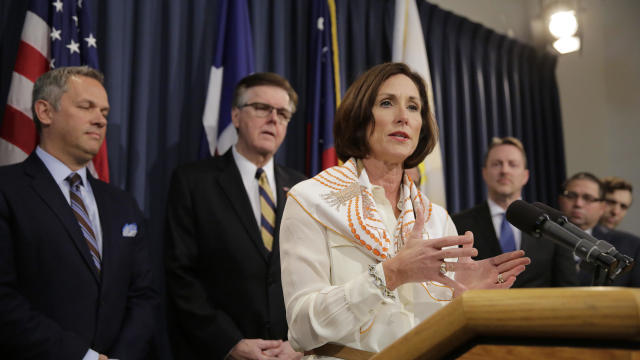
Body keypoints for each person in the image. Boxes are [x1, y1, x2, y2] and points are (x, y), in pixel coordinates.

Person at [279, 63, 530, 357]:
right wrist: (391, 273)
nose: (403, 117)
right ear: (360, 116)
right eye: (387, 103)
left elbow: (442, 331)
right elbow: (301, 328)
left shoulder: (437, 218)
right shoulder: (312, 200)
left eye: (414, 107)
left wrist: (464, 301)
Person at [0, 66, 158, 359]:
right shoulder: (7, 190)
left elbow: (143, 296)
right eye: (87, 107)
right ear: (45, 112)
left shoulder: (122, 203)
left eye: (105, 113)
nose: (100, 120)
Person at [165, 73, 306, 359]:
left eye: (282, 113)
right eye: (262, 108)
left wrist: (301, 343)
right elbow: (181, 275)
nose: (273, 119)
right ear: (236, 115)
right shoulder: (194, 182)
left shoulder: (304, 189)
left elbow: (314, 276)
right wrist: (229, 343)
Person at [452, 137, 577, 287]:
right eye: (497, 164)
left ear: (525, 176)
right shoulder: (458, 223)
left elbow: (567, 287)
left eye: (513, 164)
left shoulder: (552, 225)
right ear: (484, 173)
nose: (504, 170)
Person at [558, 172, 640, 286]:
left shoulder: (631, 245)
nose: (579, 203)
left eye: (623, 206)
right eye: (572, 195)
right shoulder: (539, 237)